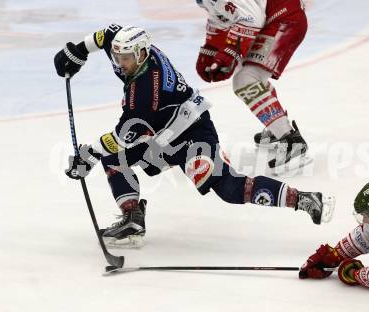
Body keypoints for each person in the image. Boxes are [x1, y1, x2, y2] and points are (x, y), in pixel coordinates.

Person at [53, 24, 334, 248]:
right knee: (114, 159)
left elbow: (126, 135)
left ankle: (305, 200)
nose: (120, 62)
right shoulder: (132, 51)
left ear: (140, 54)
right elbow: (107, 34)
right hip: (160, 132)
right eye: (118, 57)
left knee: (230, 188)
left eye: (125, 58)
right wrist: (78, 51)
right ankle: (132, 220)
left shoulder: (145, 88)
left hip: (191, 133)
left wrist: (87, 154)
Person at [195, 0, 308, 168]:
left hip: (284, 19)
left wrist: (231, 50)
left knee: (246, 80)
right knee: (250, 78)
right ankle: (279, 127)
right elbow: (221, 16)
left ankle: (291, 140)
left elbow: (251, 18)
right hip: (274, 18)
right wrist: (210, 49)